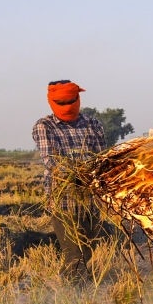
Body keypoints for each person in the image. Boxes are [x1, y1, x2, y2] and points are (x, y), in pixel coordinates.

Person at [32, 79, 107, 276]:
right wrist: (80, 174)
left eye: (70, 102)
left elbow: (101, 158)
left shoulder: (93, 124)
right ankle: (73, 291)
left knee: (88, 251)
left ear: (78, 98)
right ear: (51, 102)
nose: (66, 107)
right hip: (63, 201)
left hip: (91, 201)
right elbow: (52, 161)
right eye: (61, 103)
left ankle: (75, 287)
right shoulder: (44, 126)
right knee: (74, 255)